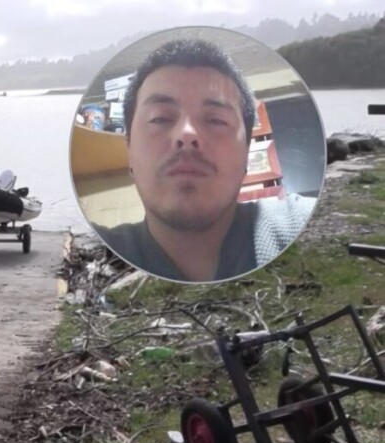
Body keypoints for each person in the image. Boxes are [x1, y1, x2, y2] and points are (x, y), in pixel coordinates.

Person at [93, 39, 315, 283]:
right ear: (130, 150)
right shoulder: (103, 249)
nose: (187, 134)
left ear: (247, 152)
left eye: (216, 120)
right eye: (160, 118)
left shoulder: (299, 222)